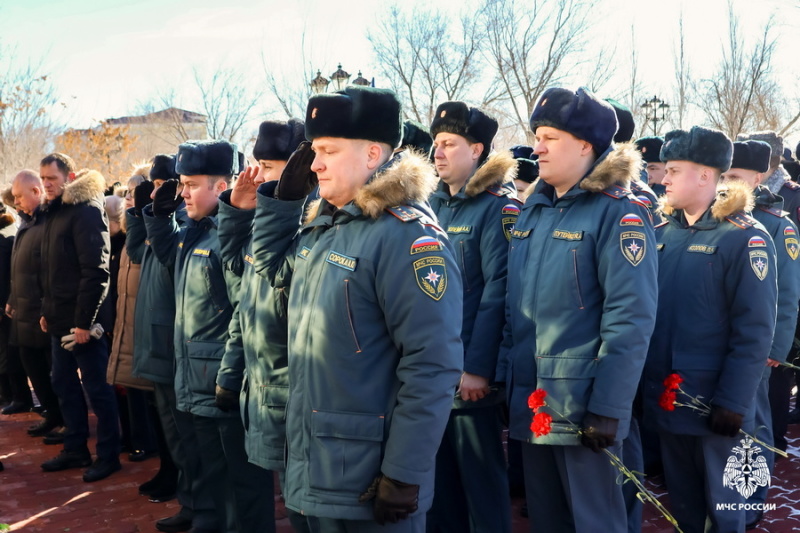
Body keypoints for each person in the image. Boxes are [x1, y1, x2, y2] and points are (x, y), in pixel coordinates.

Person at [251, 85, 463, 531]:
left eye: (328, 150)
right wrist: (282, 206)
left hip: (368, 477)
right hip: (316, 465)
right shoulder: (324, 225)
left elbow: (432, 364)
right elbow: (272, 273)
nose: (315, 163)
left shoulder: (406, 237)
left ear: (371, 155)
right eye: (315, 150)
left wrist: (405, 472)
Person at [499, 87, 657, 533]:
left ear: (585, 145)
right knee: (548, 520)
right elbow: (516, 308)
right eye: (537, 135)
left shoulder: (619, 213)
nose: (537, 147)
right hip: (534, 400)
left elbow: (631, 318)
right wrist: (504, 378)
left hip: (583, 404)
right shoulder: (535, 210)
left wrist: (609, 406)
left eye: (549, 137)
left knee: (595, 521)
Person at [643, 127, 778, 532]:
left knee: (724, 514)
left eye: (674, 170)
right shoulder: (662, 233)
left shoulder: (745, 238)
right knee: (684, 509)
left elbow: (754, 330)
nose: (663, 179)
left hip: (714, 405)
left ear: (705, 175)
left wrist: (734, 402)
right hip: (669, 399)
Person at [145, 139, 272, 533]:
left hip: (222, 385)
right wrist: (157, 215)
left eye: (191, 184)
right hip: (194, 381)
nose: (182, 192)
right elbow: (167, 256)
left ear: (221, 187)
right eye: (181, 183)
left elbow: (243, 314)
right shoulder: (193, 232)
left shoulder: (228, 236)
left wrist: (229, 378)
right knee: (214, 479)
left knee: (242, 488)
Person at [426, 101, 517, 533]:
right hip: (430, 372)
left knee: (480, 487)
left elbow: (498, 293)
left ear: (477, 149)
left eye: (449, 143)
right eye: (436, 143)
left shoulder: (498, 207)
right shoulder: (430, 206)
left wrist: (478, 369)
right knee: (438, 487)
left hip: (468, 378)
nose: (437, 153)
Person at [215, 119, 308, 532]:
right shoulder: (268, 220)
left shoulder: (306, 223)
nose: (259, 176)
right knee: (293, 499)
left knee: (304, 504)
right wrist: (237, 211)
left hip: (292, 387)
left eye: (269, 167)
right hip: (261, 382)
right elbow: (240, 281)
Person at [721, 139, 800, 528]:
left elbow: (787, 294)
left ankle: (752, 499)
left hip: (759, 347)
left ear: (759, 176)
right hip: (723, 344)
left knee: (755, 425)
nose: (727, 182)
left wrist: (776, 347)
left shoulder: (775, 224)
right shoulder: (719, 216)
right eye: (724, 174)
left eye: (735, 176)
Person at [129, 155, 208, 533]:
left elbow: (166, 256)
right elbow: (137, 251)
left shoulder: (189, 230)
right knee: (179, 441)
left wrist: (161, 218)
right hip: (163, 346)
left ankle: (200, 509)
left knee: (193, 444)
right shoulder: (172, 226)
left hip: (180, 351)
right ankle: (193, 506)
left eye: (177, 184)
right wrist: (144, 213)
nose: (175, 192)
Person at [38, 154, 121, 483]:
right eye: (42, 178)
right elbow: (51, 271)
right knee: (64, 385)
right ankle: (75, 447)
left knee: (98, 391)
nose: (46, 184)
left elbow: (96, 272)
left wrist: (85, 324)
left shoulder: (86, 210)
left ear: (69, 176)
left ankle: (109, 454)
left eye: (52, 178)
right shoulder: (54, 212)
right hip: (59, 322)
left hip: (85, 325)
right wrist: (47, 312)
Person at [7, 170, 63, 439]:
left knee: (53, 373)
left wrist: (45, 307)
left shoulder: (47, 224)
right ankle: (52, 415)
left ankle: (63, 418)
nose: (15, 202)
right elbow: (20, 267)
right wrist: (12, 299)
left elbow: (49, 270)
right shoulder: (26, 223)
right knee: (33, 369)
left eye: (19, 196)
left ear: (36, 192)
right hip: (23, 311)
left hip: (41, 314)